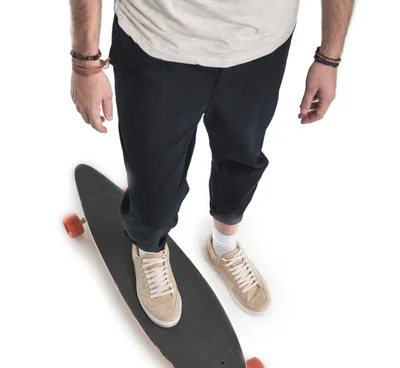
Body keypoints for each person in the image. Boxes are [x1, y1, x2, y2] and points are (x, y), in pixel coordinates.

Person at [70, 0, 354, 328]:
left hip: (261, 45)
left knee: (242, 159)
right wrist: (85, 63)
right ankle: (148, 251)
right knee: (153, 178)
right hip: (159, 41)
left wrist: (329, 58)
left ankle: (223, 246)